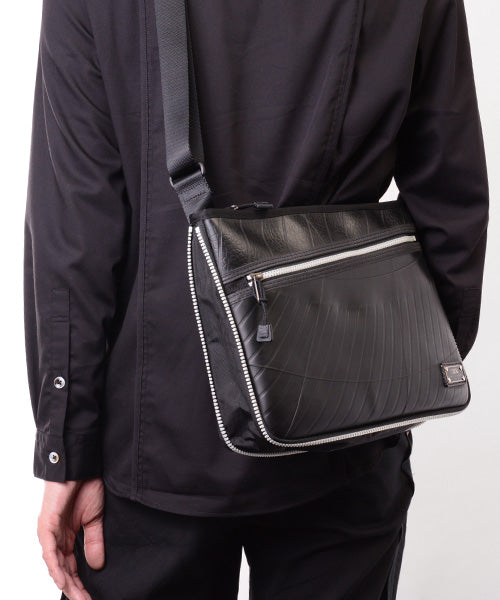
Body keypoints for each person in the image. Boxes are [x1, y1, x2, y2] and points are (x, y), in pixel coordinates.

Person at [24, 1, 488, 599]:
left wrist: (67, 447)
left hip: (154, 446)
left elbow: (75, 233)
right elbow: (451, 204)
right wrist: (399, 380)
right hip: (343, 436)